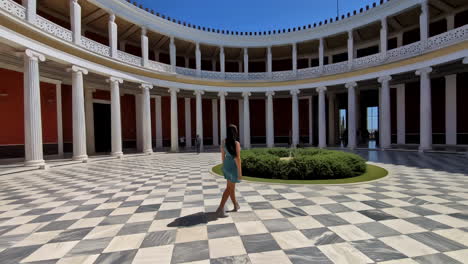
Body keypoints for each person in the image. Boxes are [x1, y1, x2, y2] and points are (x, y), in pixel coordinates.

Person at [216, 124, 242, 216]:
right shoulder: (236, 143)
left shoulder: (223, 142)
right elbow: (238, 159)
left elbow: (222, 155)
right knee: (229, 188)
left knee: (231, 188)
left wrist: (223, 166)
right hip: (233, 166)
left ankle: (236, 205)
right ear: (235, 132)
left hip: (226, 165)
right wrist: (240, 172)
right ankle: (220, 207)